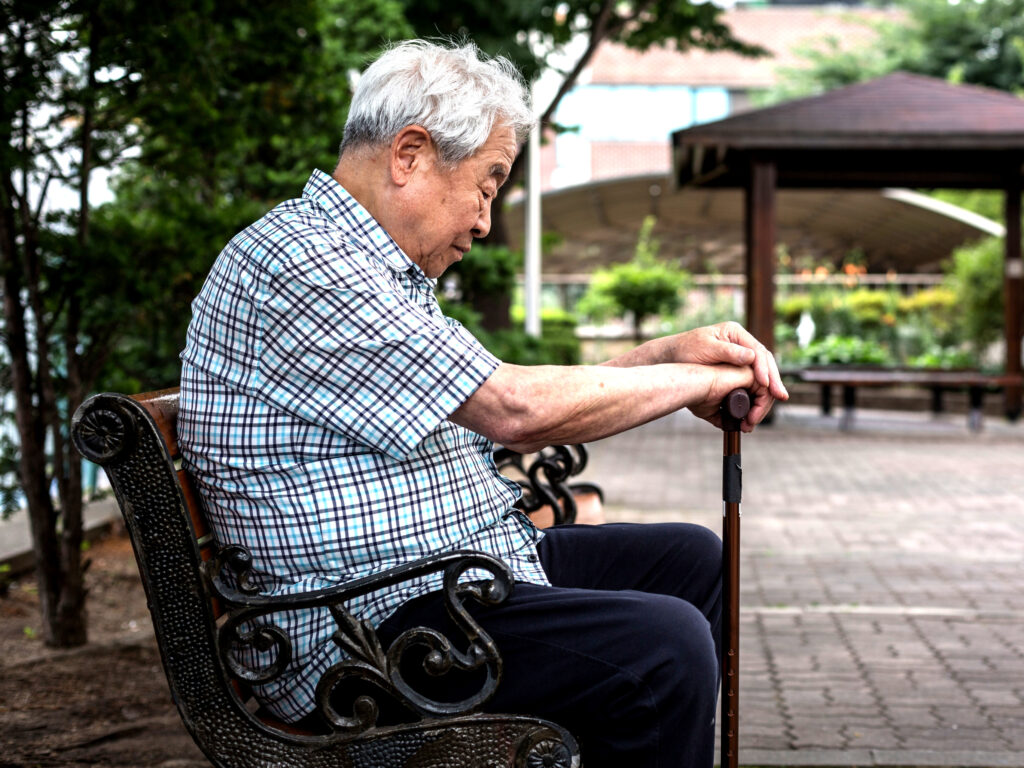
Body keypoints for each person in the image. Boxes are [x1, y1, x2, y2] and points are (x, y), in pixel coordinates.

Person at [179, 38, 788, 768]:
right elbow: (514, 409)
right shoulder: (307, 264)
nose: (484, 221)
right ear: (410, 155)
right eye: (488, 183)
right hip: (368, 635)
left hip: (440, 581)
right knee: (663, 649)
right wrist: (700, 382)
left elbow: (501, 392)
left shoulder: (365, 266)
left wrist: (665, 358)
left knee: (691, 561)